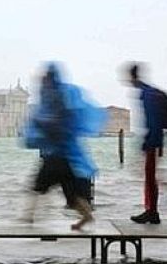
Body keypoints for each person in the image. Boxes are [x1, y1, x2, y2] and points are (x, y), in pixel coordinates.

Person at [23, 63, 106, 230]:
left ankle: (27, 218)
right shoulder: (58, 97)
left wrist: (39, 124)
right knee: (72, 195)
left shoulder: (55, 99)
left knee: (36, 187)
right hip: (66, 155)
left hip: (57, 155)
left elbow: (55, 123)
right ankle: (87, 217)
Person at [127, 63, 163, 224]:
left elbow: (152, 120)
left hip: (153, 139)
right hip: (154, 138)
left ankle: (152, 212)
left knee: (150, 177)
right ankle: (151, 211)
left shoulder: (146, 93)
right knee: (150, 177)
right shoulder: (147, 92)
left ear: (133, 77)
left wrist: (149, 141)